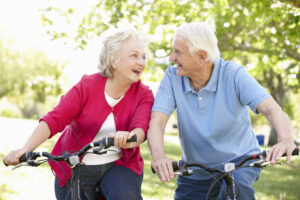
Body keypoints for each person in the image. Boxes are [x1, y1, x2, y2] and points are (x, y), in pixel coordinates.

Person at [147, 21, 296, 200]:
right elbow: (157, 121)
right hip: (196, 168)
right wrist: (159, 156)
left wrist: (286, 139)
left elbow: (271, 109)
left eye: (178, 52)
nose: (171, 57)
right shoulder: (172, 78)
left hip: (240, 163)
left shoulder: (234, 74)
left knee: (234, 191)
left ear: (202, 56)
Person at [4, 26, 154, 200]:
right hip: (75, 166)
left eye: (143, 57)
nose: (142, 62)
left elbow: (140, 129)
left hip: (119, 165)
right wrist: (26, 149)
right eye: (134, 55)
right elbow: (55, 119)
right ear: (113, 61)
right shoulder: (87, 86)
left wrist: (128, 138)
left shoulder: (144, 94)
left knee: (125, 195)